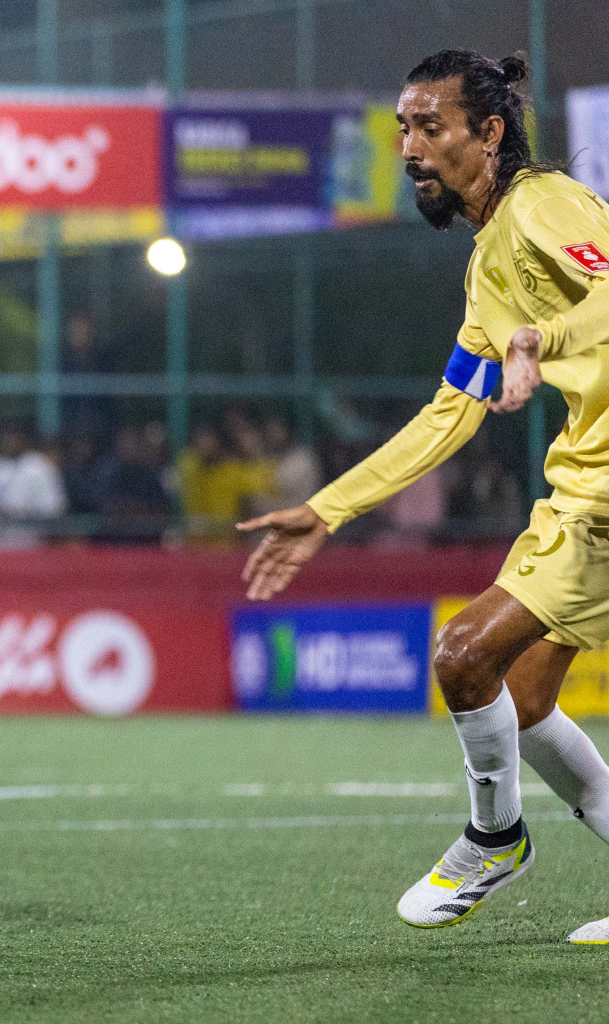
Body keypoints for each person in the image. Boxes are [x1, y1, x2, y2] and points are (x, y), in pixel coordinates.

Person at [239, 50, 609, 941]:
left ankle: (494, 835)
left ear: (489, 133)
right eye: (403, 127)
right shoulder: (489, 264)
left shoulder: (544, 204)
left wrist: (540, 337)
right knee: (516, 700)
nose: (409, 146)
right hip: (584, 489)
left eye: (429, 126)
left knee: (463, 658)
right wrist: (328, 508)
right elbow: (451, 413)